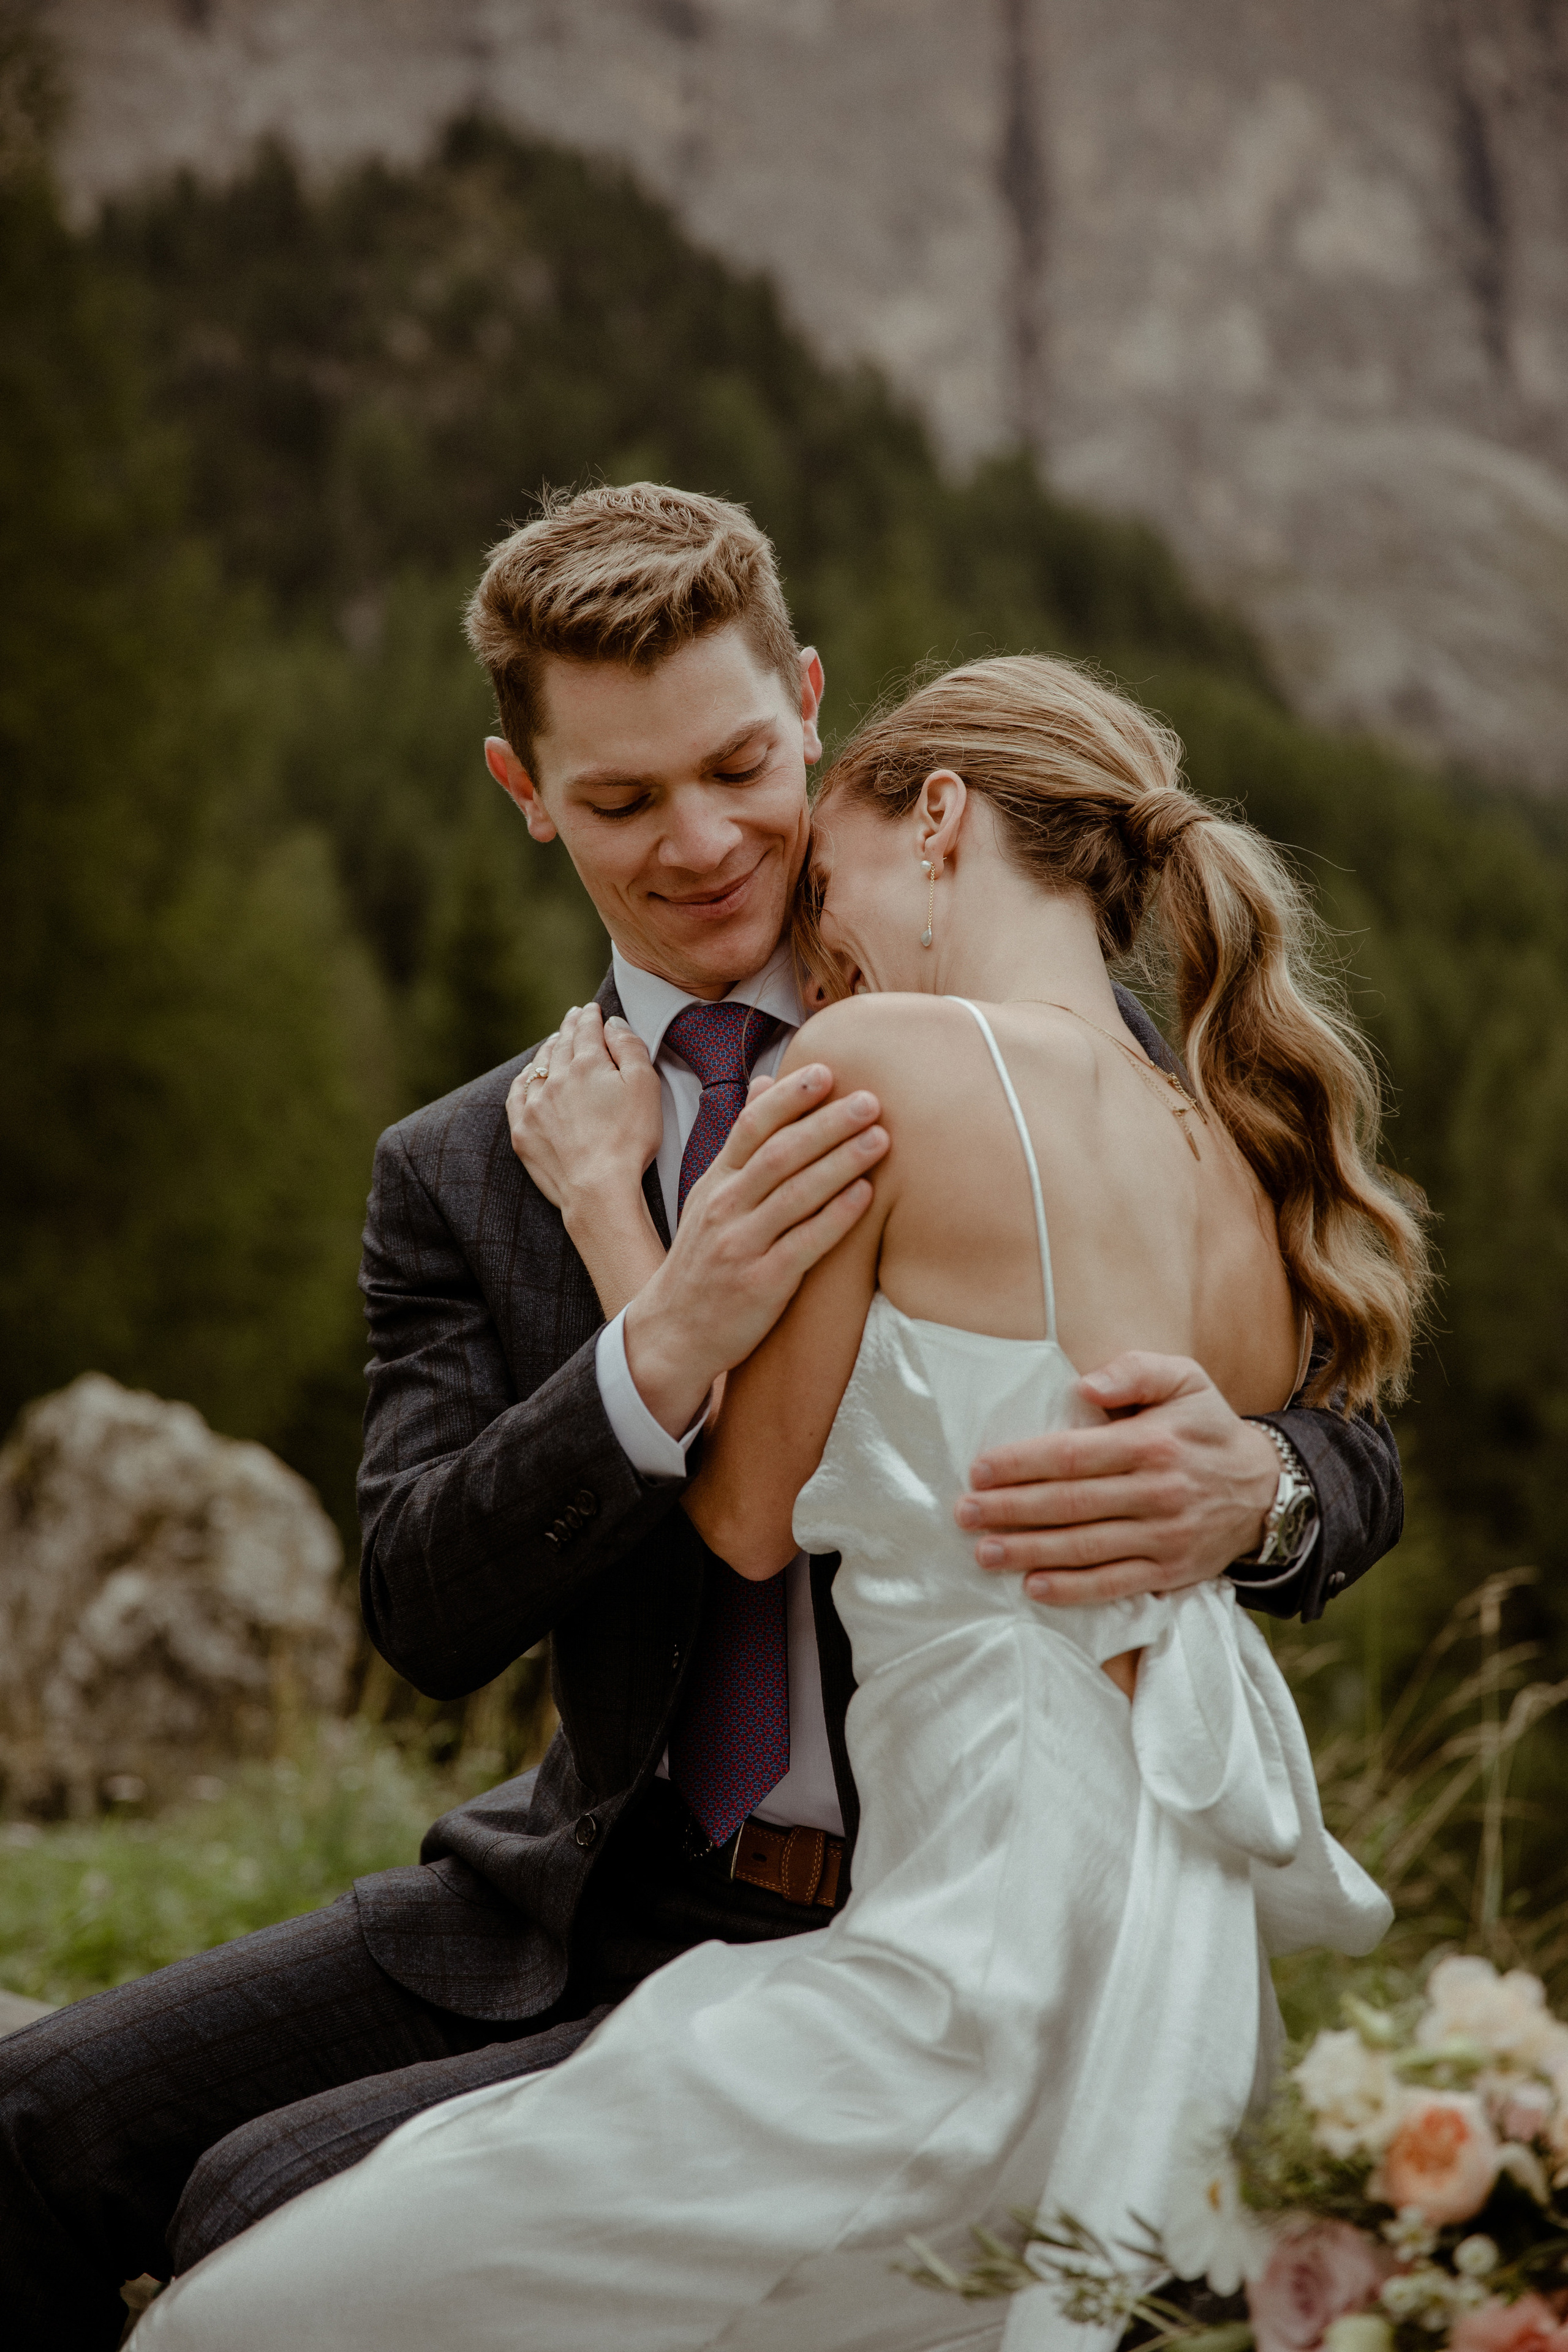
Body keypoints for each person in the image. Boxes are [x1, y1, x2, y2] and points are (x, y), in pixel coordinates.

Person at [0, 488, 1401, 2351]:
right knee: (32, 2123)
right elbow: (421, 1598)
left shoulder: (1076, 1062)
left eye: (741, 768)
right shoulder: (465, 1166)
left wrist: (1261, 1490)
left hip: (919, 1924)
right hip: (591, 1890)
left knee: (254, 2213)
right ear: (526, 793)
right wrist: (653, 1348)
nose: (704, 841)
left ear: (812, 708)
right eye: (622, 800)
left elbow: (1347, 1437)